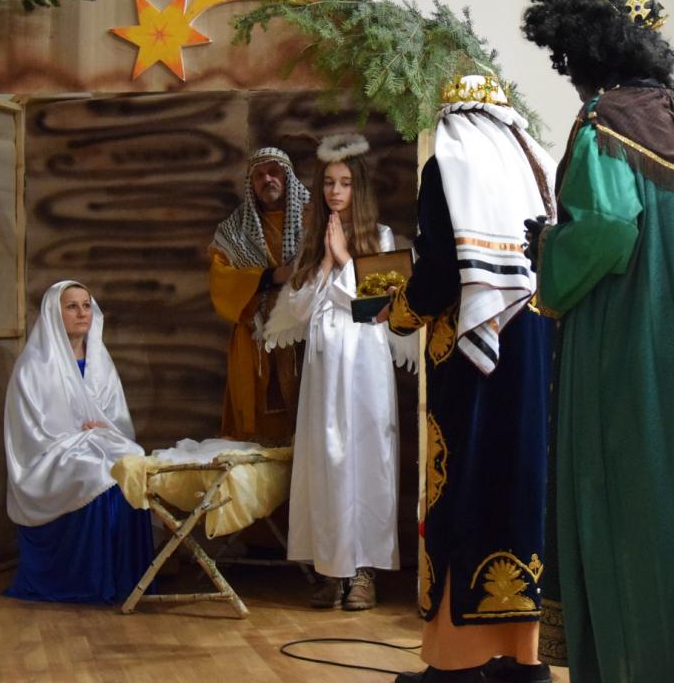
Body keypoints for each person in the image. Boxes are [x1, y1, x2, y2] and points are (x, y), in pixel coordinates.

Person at [521, 0, 674, 682]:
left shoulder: (604, 123)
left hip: (623, 349)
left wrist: (547, 251)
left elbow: (609, 227)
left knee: (623, 506)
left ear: (586, 53)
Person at [381, 75, 556, 683]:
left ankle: (456, 663)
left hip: (470, 354)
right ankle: (521, 659)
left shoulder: (448, 169)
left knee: (465, 485)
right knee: (520, 485)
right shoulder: (536, 165)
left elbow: (438, 275)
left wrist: (398, 311)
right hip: (532, 347)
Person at [263, 134, 413, 611]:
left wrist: (347, 260)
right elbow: (299, 310)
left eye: (344, 183)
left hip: (364, 363)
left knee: (366, 459)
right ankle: (331, 569)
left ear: (358, 188)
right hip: (324, 368)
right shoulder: (313, 243)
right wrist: (326, 260)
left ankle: (364, 572)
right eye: (328, 182)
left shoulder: (381, 238)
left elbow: (385, 306)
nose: (335, 191)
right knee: (326, 461)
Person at [3, 280, 153, 603]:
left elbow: (116, 421)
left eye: (86, 305)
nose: (82, 313)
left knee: (134, 459)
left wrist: (101, 429)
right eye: (72, 306)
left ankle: (129, 579)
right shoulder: (33, 366)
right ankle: (93, 581)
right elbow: (31, 432)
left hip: (96, 442)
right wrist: (81, 436)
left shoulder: (101, 361)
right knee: (96, 471)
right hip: (49, 456)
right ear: (54, 313)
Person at [209, 145, 309, 445]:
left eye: (274, 172)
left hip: (304, 334)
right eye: (259, 175)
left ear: (287, 176)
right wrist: (269, 277)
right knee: (254, 428)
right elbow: (221, 280)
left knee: (305, 416)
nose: (268, 179)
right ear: (251, 184)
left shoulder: (314, 221)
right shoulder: (232, 231)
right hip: (254, 338)